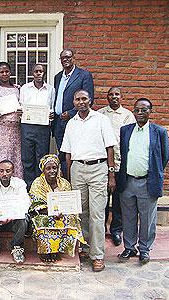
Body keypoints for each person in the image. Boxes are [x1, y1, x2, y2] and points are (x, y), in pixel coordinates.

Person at [61, 90, 117, 272]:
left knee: (97, 213)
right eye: (77, 99)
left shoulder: (101, 120)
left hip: (98, 168)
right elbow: (68, 153)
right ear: (74, 102)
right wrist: (68, 177)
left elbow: (110, 148)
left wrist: (111, 174)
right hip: (78, 168)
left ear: (90, 101)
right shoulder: (71, 123)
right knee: (82, 212)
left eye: (84, 98)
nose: (81, 102)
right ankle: (85, 247)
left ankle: (98, 255)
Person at [118, 98, 169, 265]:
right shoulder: (125, 130)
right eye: (137, 110)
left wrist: (154, 174)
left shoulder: (159, 132)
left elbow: (164, 157)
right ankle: (129, 247)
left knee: (147, 219)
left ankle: (145, 249)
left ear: (150, 112)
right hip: (127, 181)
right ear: (133, 112)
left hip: (147, 182)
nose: (140, 113)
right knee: (128, 217)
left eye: (144, 110)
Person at [29, 154, 85, 263]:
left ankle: (57, 250)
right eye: (48, 168)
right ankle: (46, 251)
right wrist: (51, 212)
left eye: (54, 168)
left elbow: (70, 203)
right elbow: (35, 205)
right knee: (43, 220)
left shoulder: (64, 183)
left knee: (70, 219)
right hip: (43, 213)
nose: (52, 171)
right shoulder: (37, 184)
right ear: (43, 170)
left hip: (62, 213)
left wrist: (63, 212)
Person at [98, 87, 135, 246]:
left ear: (121, 97)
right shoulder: (100, 114)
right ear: (107, 97)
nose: (114, 97)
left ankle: (116, 230)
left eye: (117, 94)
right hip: (102, 163)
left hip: (121, 163)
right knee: (102, 199)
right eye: (111, 94)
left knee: (119, 199)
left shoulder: (127, 115)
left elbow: (132, 138)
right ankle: (101, 228)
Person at [53, 49, 94, 175]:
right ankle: (65, 182)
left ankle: (74, 180)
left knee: (73, 153)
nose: (65, 59)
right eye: (63, 58)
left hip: (75, 121)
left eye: (68, 57)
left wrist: (71, 113)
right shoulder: (58, 77)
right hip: (58, 122)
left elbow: (89, 99)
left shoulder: (83, 75)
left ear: (73, 58)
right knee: (62, 153)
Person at [20, 64, 55, 188]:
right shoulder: (25, 88)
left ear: (44, 73)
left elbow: (52, 106)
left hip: (43, 127)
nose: (39, 73)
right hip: (27, 126)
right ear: (32, 73)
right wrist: (20, 111)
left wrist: (51, 114)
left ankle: (40, 187)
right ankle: (29, 187)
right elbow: (21, 105)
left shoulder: (50, 89)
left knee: (41, 158)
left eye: (41, 71)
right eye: (36, 71)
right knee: (27, 158)